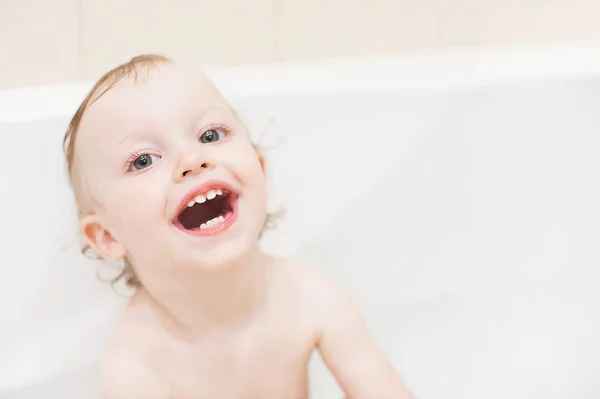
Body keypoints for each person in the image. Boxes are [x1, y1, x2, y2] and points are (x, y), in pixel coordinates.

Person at [63, 54, 413, 399]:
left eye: (210, 135)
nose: (192, 159)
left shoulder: (311, 297)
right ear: (107, 237)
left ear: (259, 169)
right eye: (143, 160)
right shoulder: (138, 368)